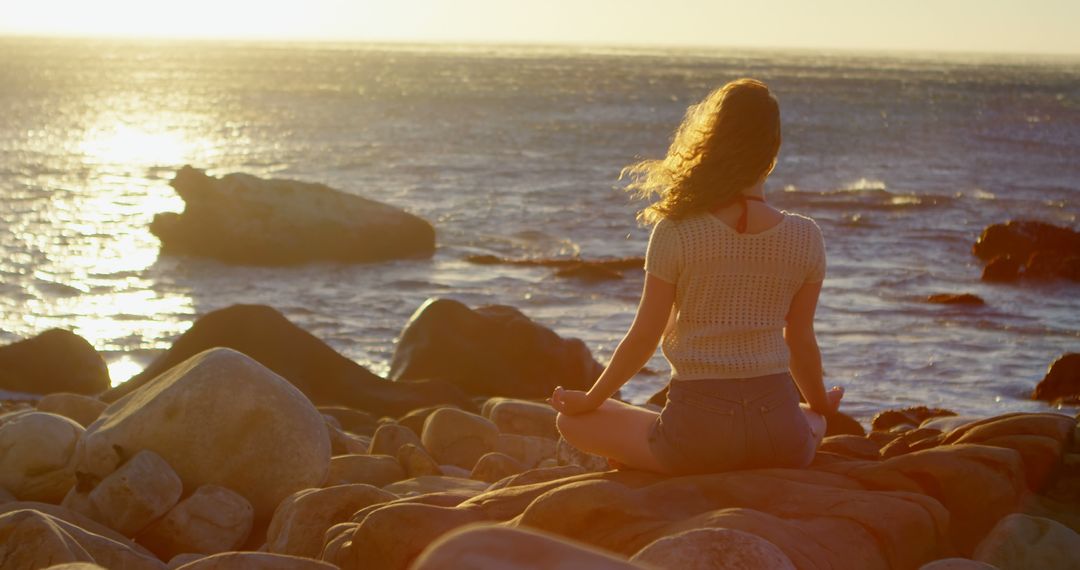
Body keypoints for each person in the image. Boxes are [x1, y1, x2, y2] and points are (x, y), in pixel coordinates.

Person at [550, 78, 843, 475]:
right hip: (779, 435)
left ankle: (654, 460)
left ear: (710, 144)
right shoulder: (806, 235)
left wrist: (591, 398)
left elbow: (645, 336)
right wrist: (823, 404)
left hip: (698, 438)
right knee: (814, 418)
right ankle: (801, 426)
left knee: (571, 422)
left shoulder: (678, 231)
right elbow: (801, 339)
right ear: (772, 151)